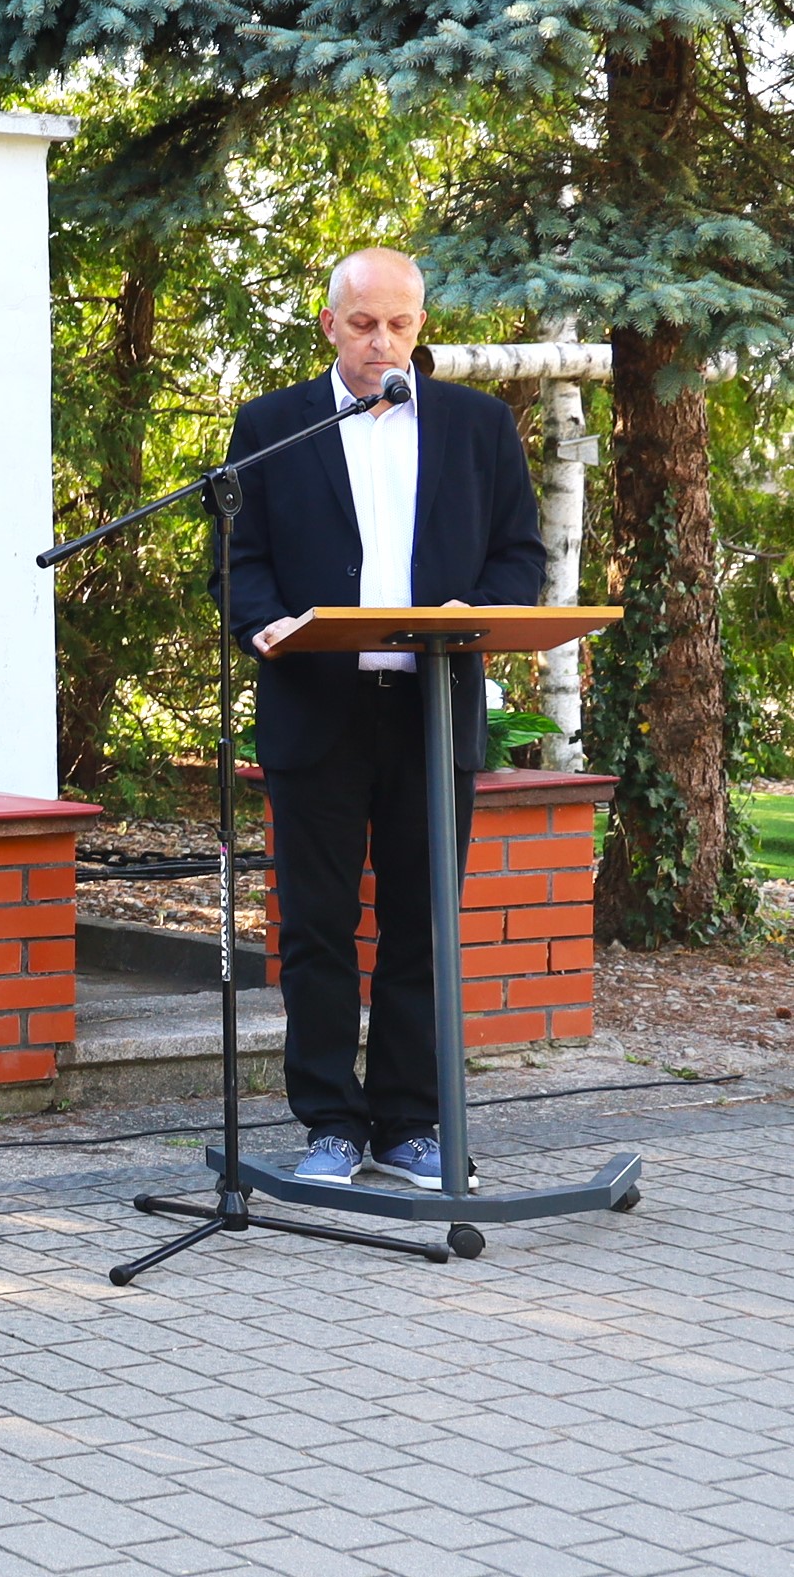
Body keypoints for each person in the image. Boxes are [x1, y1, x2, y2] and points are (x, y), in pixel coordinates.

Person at [223, 247, 541, 1190]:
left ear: (420, 326)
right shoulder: (272, 425)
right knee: (317, 927)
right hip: (315, 708)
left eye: (400, 323)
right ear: (328, 324)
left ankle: (411, 1125)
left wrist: (470, 612)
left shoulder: (479, 427)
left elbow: (518, 560)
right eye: (364, 323)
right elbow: (241, 564)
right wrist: (259, 622)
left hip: (430, 709)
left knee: (421, 923)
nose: (383, 341)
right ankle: (328, 1122)